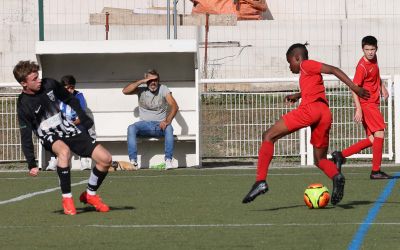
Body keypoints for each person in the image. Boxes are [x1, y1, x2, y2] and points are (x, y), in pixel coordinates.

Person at [242, 43, 370, 205]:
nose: (290, 67)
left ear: (297, 58)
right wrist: (298, 95)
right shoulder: (307, 73)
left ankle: (260, 181)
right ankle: (336, 176)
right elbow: (312, 89)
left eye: (290, 63)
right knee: (320, 159)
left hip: (310, 111)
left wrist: (355, 88)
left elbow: (333, 69)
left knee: (268, 136)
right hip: (324, 113)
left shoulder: (305, 65)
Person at [14, 60, 112, 215]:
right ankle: (67, 199)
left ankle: (90, 194)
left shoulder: (50, 84)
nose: (39, 80)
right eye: (34, 79)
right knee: (64, 151)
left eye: (38, 76)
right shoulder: (23, 105)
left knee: (105, 159)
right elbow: (25, 135)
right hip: (48, 134)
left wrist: (82, 115)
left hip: (67, 127)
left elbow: (70, 99)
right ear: (23, 84)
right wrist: (31, 162)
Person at [331, 36, 391, 179]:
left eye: (372, 49)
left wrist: (382, 87)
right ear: (362, 49)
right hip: (367, 104)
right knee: (380, 133)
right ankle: (375, 171)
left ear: (376, 49)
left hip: (373, 103)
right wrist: (358, 108)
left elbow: (376, 75)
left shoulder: (374, 59)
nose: (370, 52)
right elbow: (354, 88)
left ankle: (340, 156)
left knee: (372, 140)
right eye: (367, 50)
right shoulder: (362, 67)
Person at [122, 69, 179, 170]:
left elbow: (174, 106)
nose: (153, 82)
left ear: (158, 80)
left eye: (155, 80)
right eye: (150, 80)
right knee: (131, 128)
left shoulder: (163, 89)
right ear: (146, 81)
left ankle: (168, 160)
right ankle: (133, 162)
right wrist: (141, 82)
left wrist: (166, 121)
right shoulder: (141, 89)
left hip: (159, 126)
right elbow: (125, 91)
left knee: (169, 128)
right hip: (144, 125)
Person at [46, 75, 93, 171]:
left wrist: (72, 124)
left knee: (82, 128)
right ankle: (53, 160)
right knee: (52, 132)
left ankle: (84, 159)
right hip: (61, 124)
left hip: (76, 123)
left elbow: (82, 116)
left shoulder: (79, 96)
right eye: (67, 88)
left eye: (72, 87)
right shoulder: (56, 96)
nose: (70, 90)